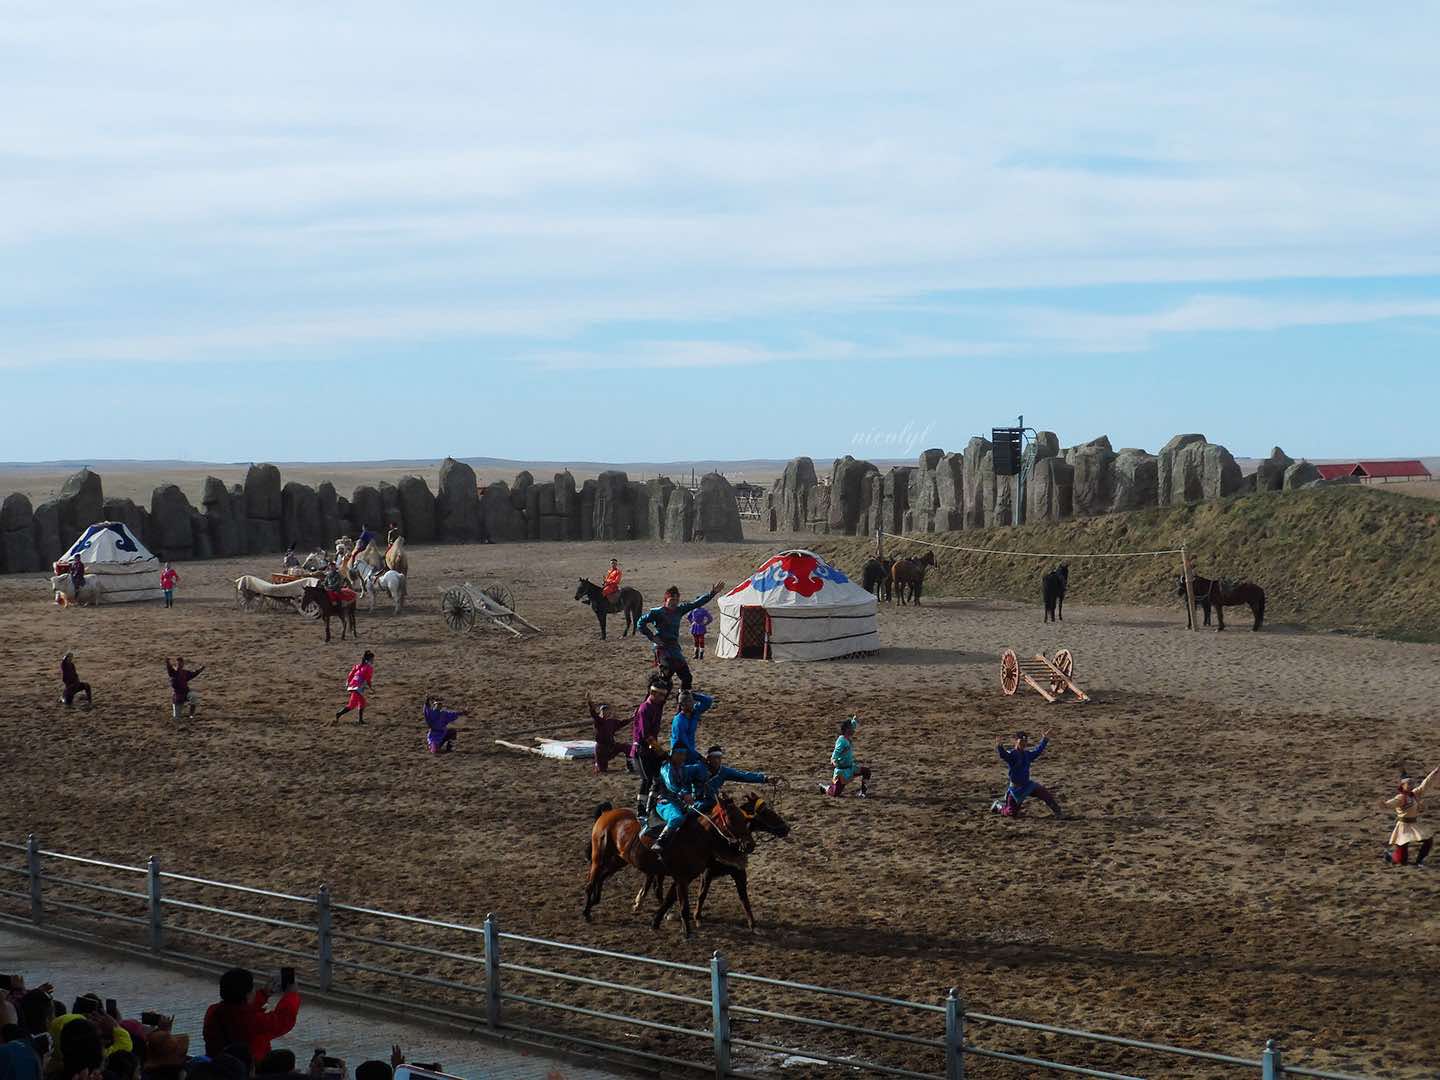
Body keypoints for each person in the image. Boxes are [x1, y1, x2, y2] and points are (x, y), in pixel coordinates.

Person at [636, 582, 725, 691]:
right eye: (671, 600)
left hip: (674, 648)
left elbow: (696, 603)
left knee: (687, 677)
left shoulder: (679, 610)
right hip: (662, 648)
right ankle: (652, 700)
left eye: (676, 600)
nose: (674, 603)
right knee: (665, 678)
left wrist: (712, 593)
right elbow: (640, 622)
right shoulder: (657, 612)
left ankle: (684, 701)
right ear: (666, 600)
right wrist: (652, 637)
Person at [202, 968, 299, 1063]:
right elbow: (283, 1020)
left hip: (216, 1065)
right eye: (253, 988)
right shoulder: (252, 1022)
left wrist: (264, 994)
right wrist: (291, 994)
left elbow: (238, 1009)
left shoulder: (213, 1011)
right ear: (248, 995)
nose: (255, 991)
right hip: (247, 1071)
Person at [649, 744, 712, 859]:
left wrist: (704, 765)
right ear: (672, 754)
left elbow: (696, 768)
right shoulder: (666, 768)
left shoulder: (683, 768)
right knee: (677, 818)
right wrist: (684, 794)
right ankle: (660, 842)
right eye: (679, 754)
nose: (682, 757)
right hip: (665, 801)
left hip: (679, 802)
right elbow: (671, 785)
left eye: (684, 754)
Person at [629, 677, 671, 818]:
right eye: (661, 695)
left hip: (651, 749)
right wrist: (660, 751)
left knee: (659, 777)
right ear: (653, 694)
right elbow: (647, 736)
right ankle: (641, 809)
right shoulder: (644, 709)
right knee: (647, 779)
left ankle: (652, 805)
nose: (663, 698)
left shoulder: (657, 707)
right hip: (641, 750)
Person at [996, 731, 1062, 817]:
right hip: (1016, 789)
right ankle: (998, 806)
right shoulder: (1012, 754)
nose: (1023, 744)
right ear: (1016, 741)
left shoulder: (1027, 754)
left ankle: (1058, 812)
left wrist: (1044, 740)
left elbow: (1037, 751)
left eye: (1025, 742)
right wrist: (999, 746)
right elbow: (1003, 755)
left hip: (1027, 785)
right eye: (1021, 741)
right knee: (1011, 813)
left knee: (1043, 792)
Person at [1381, 766, 1438, 867]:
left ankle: (1420, 860)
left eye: (1412, 784)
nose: (1411, 786)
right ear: (1403, 785)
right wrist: (1385, 804)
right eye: (1409, 784)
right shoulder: (1401, 797)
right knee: (1402, 860)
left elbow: (1426, 784)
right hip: (1403, 827)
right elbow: (1392, 803)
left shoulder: (1414, 794)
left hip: (1413, 824)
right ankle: (1390, 856)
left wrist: (1434, 772)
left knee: (1428, 840)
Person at [700, 744, 776, 805]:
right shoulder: (698, 769)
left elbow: (743, 776)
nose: (717, 761)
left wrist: (765, 778)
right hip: (696, 801)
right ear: (709, 759)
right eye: (714, 758)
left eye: (719, 758)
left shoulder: (724, 771)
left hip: (713, 802)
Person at [826, 716, 871, 798]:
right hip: (842, 773)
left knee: (866, 771)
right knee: (835, 793)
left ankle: (863, 793)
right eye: (851, 728)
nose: (853, 730)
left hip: (851, 768)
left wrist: (854, 720)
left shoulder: (847, 737)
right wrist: (833, 760)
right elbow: (835, 753)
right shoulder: (842, 741)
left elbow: (853, 725)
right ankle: (825, 788)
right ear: (847, 730)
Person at [668, 689, 714, 765]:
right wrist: (699, 757)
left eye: (691, 701)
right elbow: (684, 744)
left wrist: (693, 695)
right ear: (681, 705)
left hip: (691, 752)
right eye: (687, 702)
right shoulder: (679, 722)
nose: (691, 704)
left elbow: (708, 701)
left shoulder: (694, 712)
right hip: (680, 756)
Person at [586, 693, 627, 774]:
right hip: (601, 750)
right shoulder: (599, 721)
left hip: (611, 747)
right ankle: (598, 764)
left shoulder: (612, 722)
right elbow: (593, 713)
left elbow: (622, 723)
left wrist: (633, 718)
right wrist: (589, 702)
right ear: (601, 713)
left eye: (607, 711)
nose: (606, 713)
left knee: (626, 747)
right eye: (604, 711)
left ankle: (631, 766)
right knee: (602, 770)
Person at [335, 652, 374, 724]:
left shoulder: (358, 666)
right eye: (372, 659)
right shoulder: (369, 668)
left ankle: (360, 720)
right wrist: (371, 687)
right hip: (357, 687)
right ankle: (339, 714)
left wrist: (348, 683)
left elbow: (351, 674)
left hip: (353, 685)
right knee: (352, 705)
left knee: (362, 702)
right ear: (370, 659)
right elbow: (368, 679)